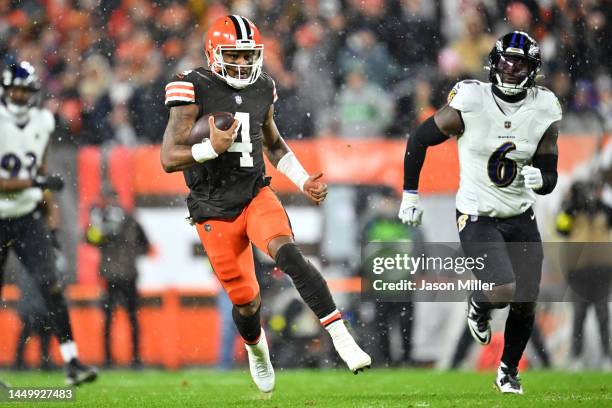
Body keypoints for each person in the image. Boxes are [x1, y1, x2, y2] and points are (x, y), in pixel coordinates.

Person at [160, 15, 371, 393]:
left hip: (255, 192)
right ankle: (257, 351)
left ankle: (341, 335)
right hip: (211, 208)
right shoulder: (192, 86)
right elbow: (169, 157)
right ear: (214, 53)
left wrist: (303, 178)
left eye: (247, 56)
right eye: (234, 56)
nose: (242, 64)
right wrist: (211, 148)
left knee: (288, 254)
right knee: (245, 302)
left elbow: (273, 143)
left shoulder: (262, 87)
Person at [399, 32, 562, 394]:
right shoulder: (472, 99)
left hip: (520, 213)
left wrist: (543, 178)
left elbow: (549, 172)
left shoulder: (545, 107)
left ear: (532, 70)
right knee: (503, 290)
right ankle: (479, 302)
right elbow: (419, 139)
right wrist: (410, 193)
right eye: (505, 61)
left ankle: (508, 370)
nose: (510, 68)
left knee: (525, 300)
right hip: (477, 214)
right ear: (494, 61)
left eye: (519, 63)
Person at [0, 62, 97, 385]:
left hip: (28, 216)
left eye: (24, 90)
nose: (18, 95)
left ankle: (71, 362)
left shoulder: (42, 120)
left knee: (52, 283)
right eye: (15, 88)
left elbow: (39, 169)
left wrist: (51, 223)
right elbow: (34, 177)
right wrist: (34, 182)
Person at [86, 188, 150, 368]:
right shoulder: (103, 219)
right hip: (112, 276)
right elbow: (89, 239)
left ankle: (134, 359)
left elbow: (145, 244)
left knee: (129, 318)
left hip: (124, 275)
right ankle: (110, 359)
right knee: (112, 319)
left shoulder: (127, 218)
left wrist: (128, 255)